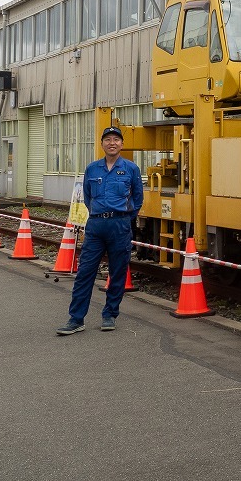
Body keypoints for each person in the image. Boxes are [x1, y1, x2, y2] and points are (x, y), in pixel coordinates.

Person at [56, 126, 144, 335]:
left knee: (117, 271)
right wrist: (100, 215)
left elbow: (138, 199)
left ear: (122, 144)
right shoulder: (92, 169)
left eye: (116, 140)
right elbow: (88, 197)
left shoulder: (131, 169)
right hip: (96, 225)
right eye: (107, 140)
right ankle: (76, 319)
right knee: (85, 272)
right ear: (102, 144)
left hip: (120, 225)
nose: (112, 143)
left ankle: (110, 315)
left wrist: (123, 218)